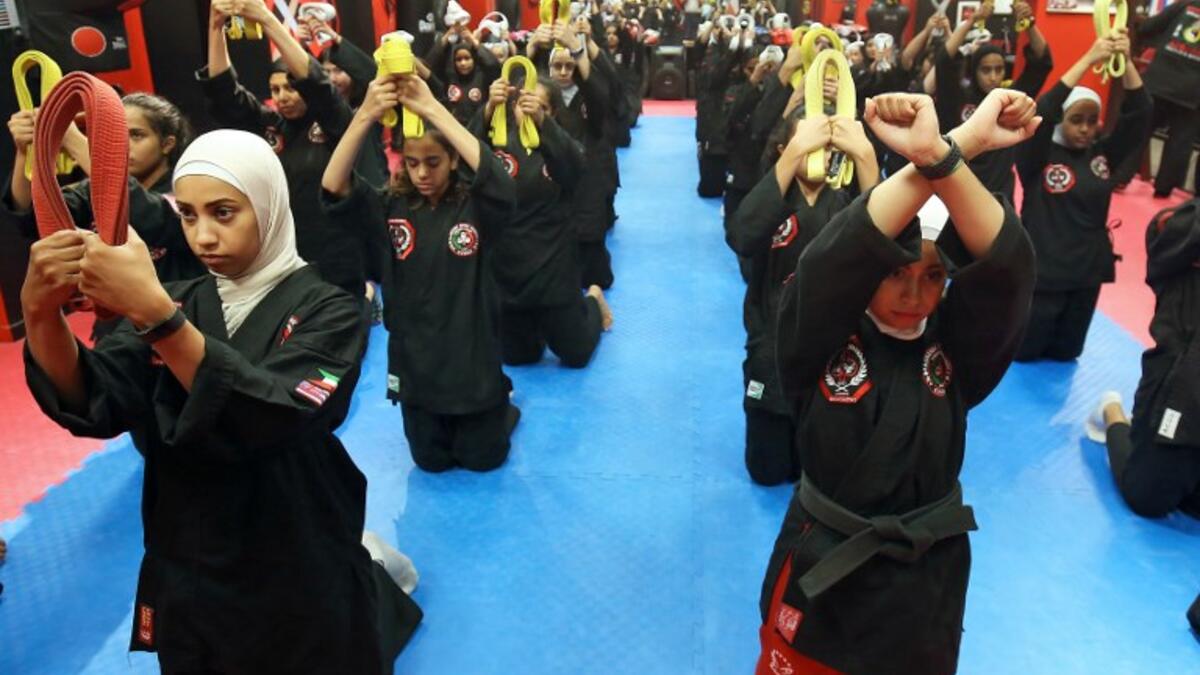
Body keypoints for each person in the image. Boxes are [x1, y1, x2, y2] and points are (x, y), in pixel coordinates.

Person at [21, 128, 422, 674]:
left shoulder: (330, 309)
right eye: (187, 215)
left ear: (268, 206)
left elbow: (278, 412)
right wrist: (41, 312)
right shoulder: (184, 298)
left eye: (224, 212)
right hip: (191, 547)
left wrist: (159, 318)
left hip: (294, 539)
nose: (203, 235)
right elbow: (95, 395)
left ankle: (379, 575)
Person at [757, 88, 1038, 674]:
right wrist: (945, 153)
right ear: (870, 268)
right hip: (824, 572)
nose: (914, 295)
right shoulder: (818, 337)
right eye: (896, 273)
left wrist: (952, 154)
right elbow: (827, 263)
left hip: (921, 588)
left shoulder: (955, 353)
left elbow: (1008, 267)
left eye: (935, 277)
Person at [321, 72, 520, 473]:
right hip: (418, 367)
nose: (422, 173)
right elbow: (332, 184)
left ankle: (503, 406)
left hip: (470, 360)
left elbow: (497, 179)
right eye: (412, 163)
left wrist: (432, 108)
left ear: (452, 160)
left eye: (433, 162)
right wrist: (364, 116)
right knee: (430, 462)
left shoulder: (475, 207)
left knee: (484, 460)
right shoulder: (390, 207)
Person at [727, 108, 879, 486]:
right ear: (786, 149)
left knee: (825, 474)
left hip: (830, 353)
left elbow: (886, 238)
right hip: (772, 347)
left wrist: (865, 157)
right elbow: (741, 237)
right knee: (767, 471)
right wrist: (795, 152)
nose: (819, 155)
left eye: (826, 148)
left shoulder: (843, 204)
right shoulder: (771, 199)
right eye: (808, 146)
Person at [198, 0, 366, 298]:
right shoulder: (270, 126)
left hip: (336, 256)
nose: (283, 97)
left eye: (291, 88)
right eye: (275, 90)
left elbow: (317, 85)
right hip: (284, 256)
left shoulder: (334, 122)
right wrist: (215, 27)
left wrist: (265, 18)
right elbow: (225, 93)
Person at [5, 93, 205, 341]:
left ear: (167, 143)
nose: (122, 144)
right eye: (113, 134)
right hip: (115, 335)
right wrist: (26, 152)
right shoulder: (92, 189)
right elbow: (31, 217)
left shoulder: (190, 187)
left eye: (136, 135)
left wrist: (75, 140)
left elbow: (156, 216)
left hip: (178, 327)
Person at [1015, 31, 1151, 362]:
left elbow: (1142, 113)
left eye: (1092, 121)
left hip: (1086, 272)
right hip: (1044, 270)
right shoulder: (1038, 154)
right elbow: (1044, 109)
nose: (1086, 129)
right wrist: (1089, 58)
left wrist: (1126, 60)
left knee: (1067, 354)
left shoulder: (1102, 155)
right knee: (1026, 354)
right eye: (1077, 120)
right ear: (1062, 120)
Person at [480, 73, 614, 368]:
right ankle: (535, 325)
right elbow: (462, 160)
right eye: (522, 103)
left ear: (551, 112)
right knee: (519, 358)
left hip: (553, 271)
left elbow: (575, 168)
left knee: (576, 355)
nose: (527, 109)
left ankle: (591, 299)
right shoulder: (497, 146)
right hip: (510, 275)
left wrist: (542, 124)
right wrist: (487, 111)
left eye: (539, 105)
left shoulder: (562, 148)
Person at [1084, 197, 1200, 520]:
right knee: (1146, 499)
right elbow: (1162, 240)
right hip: (1182, 390)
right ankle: (1111, 412)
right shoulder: (1178, 226)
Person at [935, 0, 1052, 200]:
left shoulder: (1011, 100)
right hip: (957, 190)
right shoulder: (958, 97)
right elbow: (944, 60)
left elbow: (1041, 63)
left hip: (998, 193)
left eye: (999, 70)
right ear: (974, 71)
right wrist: (972, 20)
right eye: (986, 70)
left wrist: (1029, 24)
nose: (993, 76)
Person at [1119, 0, 1200, 197]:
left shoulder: (1187, 4)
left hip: (1160, 78)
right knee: (1181, 141)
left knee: (1140, 129)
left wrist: (1160, 41)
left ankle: (1120, 176)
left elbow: (1148, 27)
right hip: (1193, 90)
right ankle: (1164, 189)